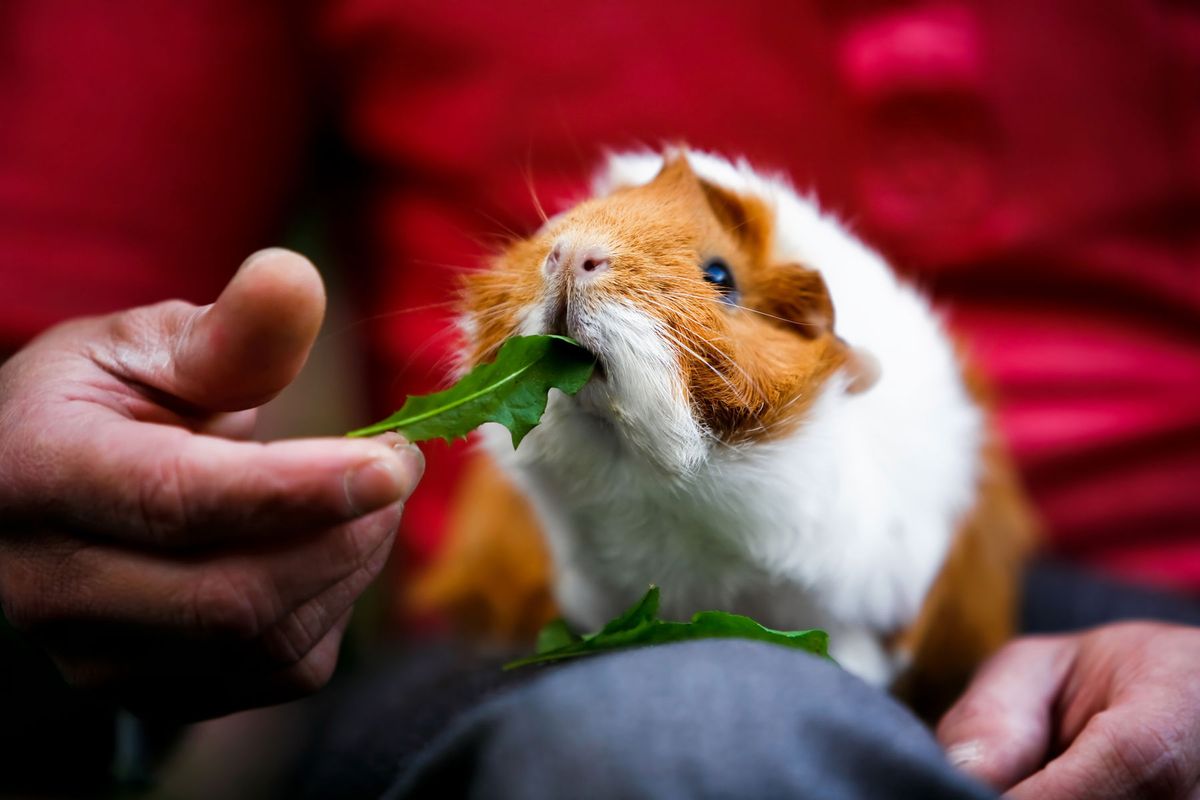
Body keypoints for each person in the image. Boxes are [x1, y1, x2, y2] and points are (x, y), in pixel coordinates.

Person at [2, 1, 1198, 797]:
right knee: (684, 740)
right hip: (525, 648)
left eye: (720, 279)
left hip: (1163, 609)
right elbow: (48, 342)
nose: (574, 255)